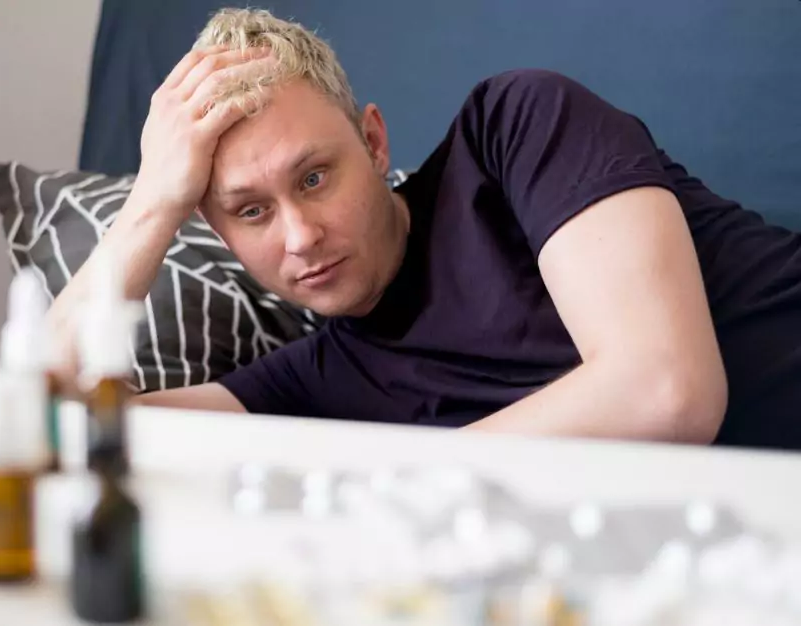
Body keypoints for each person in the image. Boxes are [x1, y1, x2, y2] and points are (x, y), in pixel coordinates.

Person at [48, 8, 801, 451]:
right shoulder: (317, 387)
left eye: (315, 177)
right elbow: (49, 426)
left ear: (374, 142)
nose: (301, 236)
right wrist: (152, 203)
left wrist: (398, 476)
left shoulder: (514, 132)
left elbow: (669, 391)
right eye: (251, 211)